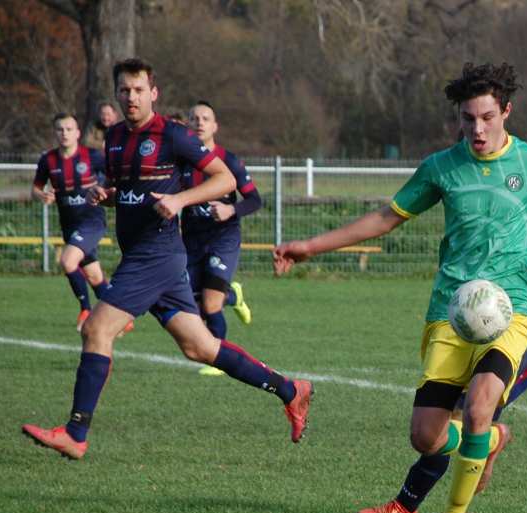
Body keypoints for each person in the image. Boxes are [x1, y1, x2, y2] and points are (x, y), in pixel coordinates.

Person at [273, 62, 527, 513]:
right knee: (425, 437)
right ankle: (488, 442)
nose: (478, 129)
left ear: (506, 111)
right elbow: (386, 218)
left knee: (480, 407)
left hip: (511, 312)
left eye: (487, 117)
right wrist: (311, 247)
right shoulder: (442, 168)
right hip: (452, 315)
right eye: (468, 119)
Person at [22, 58, 312, 461]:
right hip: (146, 257)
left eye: (139, 90)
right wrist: (107, 193)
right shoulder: (116, 136)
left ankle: (75, 432)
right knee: (201, 348)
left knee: (97, 330)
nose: (131, 97)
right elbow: (127, 185)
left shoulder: (172, 135)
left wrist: (179, 199)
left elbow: (225, 180)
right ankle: (290, 389)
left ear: (153, 93)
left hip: (155, 257)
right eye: (124, 90)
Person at [357, 209, 527, 513]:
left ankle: (415, 507)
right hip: (466, 320)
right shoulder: (481, 191)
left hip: (514, 324)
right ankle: (489, 439)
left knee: (464, 416)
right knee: (447, 420)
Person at [183, 100, 262, 376]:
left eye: (205, 118)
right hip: (191, 242)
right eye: (194, 118)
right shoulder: (180, 161)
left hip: (223, 239)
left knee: (210, 303)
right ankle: (234, 295)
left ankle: (220, 360)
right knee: (190, 306)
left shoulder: (229, 161)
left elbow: (255, 200)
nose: (200, 122)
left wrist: (231, 209)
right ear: (187, 124)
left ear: (215, 126)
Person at [31, 113, 119, 331]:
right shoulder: (48, 160)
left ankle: (86, 310)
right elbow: (35, 188)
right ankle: (120, 316)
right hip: (69, 225)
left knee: (68, 262)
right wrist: (41, 195)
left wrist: (108, 190)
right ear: (55, 133)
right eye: (60, 129)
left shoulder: (92, 157)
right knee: (94, 275)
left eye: (69, 129)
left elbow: (113, 175)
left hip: (92, 221)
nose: (64, 134)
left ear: (78, 133)